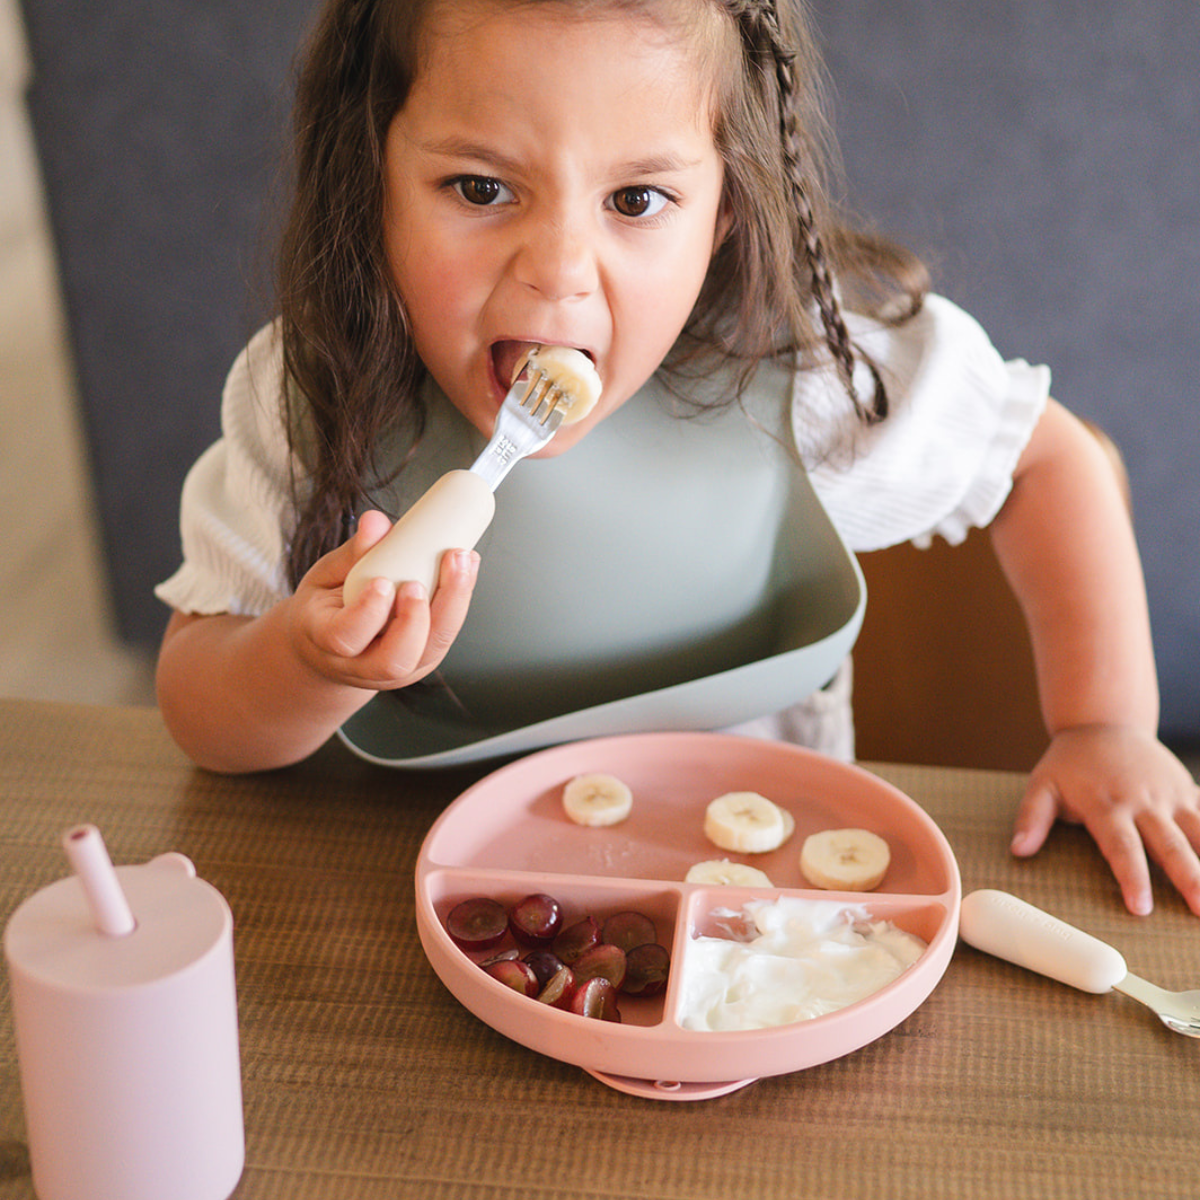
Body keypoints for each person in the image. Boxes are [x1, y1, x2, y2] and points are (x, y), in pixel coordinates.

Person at [155, 0, 1199, 917]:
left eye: (636, 200)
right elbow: (203, 715)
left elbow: (1048, 457)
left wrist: (1106, 724)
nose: (559, 270)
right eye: (479, 188)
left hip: (763, 908)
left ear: (727, 206)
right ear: (371, 170)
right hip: (424, 919)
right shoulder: (316, 395)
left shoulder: (803, 372)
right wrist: (304, 661)